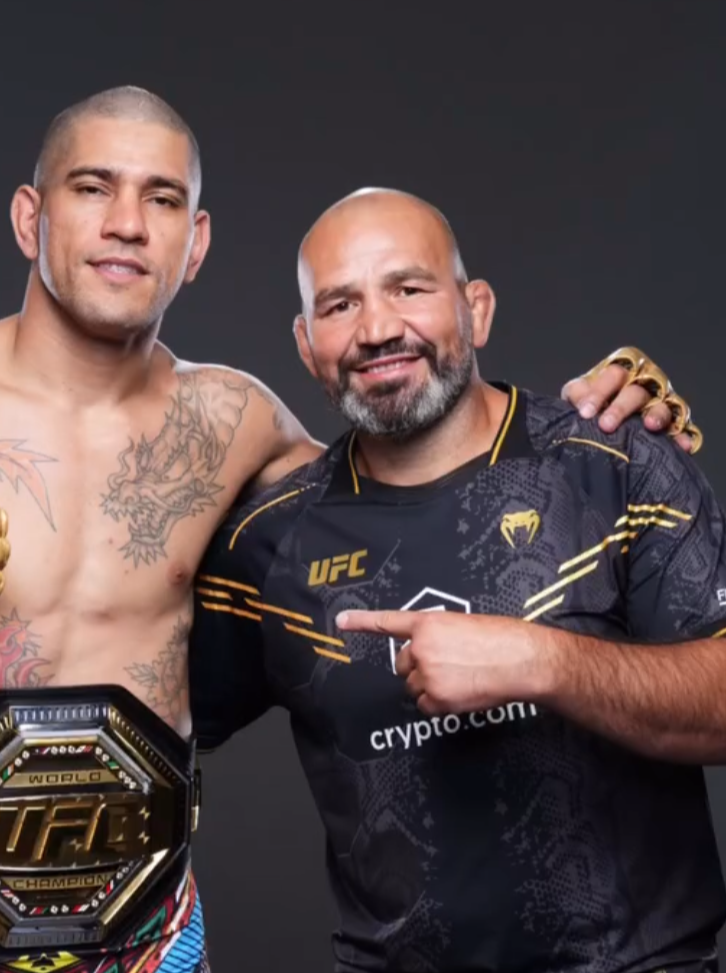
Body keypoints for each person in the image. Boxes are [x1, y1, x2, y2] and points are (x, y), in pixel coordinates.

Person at [0, 89, 693, 973]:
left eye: (160, 198)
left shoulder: (234, 423)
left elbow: (410, 479)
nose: (126, 223)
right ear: (28, 216)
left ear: (194, 244)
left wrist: (595, 425)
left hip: (151, 943)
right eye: (92, 189)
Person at [178, 191, 725, 972]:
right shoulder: (270, 541)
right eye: (340, 304)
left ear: (477, 308)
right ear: (306, 343)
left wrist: (543, 661)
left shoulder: (613, 463)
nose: (376, 330)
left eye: (409, 288)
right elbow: (145, 710)